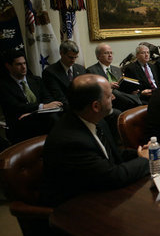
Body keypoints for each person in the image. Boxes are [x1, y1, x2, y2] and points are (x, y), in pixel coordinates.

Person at [39, 74, 150, 206]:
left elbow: (111, 155)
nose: (114, 98)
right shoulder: (71, 141)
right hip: (74, 208)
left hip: (99, 193)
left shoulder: (97, 120)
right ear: (96, 106)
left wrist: (138, 153)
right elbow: (112, 177)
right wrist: (144, 160)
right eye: (109, 96)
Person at [0, 51, 62, 143]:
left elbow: (48, 98)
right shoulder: (3, 86)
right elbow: (16, 107)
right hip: (20, 125)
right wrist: (41, 107)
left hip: (40, 118)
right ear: (8, 66)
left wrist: (35, 113)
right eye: (18, 64)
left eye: (24, 63)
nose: (24, 67)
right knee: (52, 119)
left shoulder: (36, 80)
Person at [87, 43, 142, 111]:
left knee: (135, 93)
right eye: (106, 53)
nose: (110, 55)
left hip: (122, 97)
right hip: (109, 99)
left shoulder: (117, 69)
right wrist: (108, 86)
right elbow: (92, 89)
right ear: (98, 56)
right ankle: (137, 104)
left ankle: (137, 104)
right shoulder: (92, 70)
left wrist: (131, 90)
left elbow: (122, 85)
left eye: (111, 53)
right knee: (116, 93)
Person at [42, 40, 86, 108]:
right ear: (61, 53)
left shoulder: (81, 69)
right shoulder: (50, 72)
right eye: (70, 57)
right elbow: (59, 97)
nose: (73, 60)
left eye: (75, 57)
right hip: (64, 109)